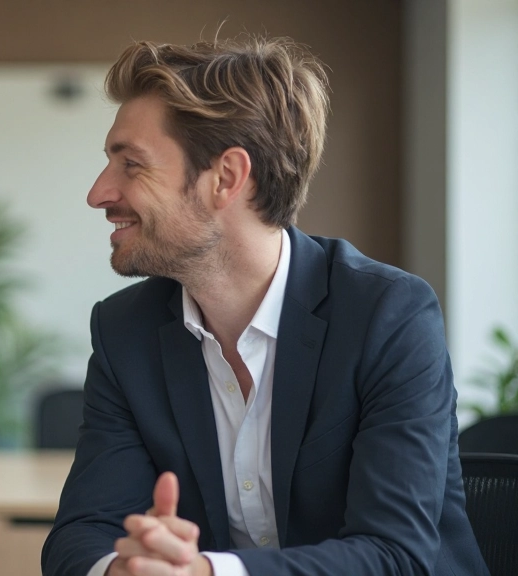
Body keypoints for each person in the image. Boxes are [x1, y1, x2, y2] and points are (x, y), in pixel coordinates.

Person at [41, 36, 488, 576]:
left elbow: (395, 556)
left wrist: (207, 572)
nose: (98, 193)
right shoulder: (125, 331)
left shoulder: (387, 316)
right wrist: (128, 567)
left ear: (226, 178)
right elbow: (82, 534)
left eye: (131, 164)